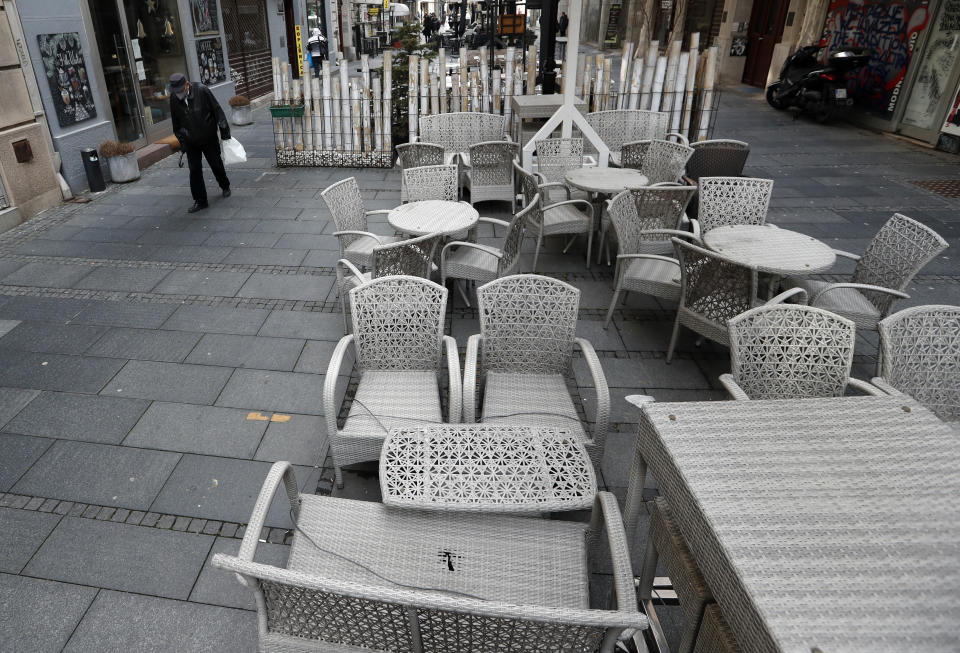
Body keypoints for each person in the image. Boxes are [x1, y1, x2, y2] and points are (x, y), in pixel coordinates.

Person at [169, 73, 231, 213]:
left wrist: (224, 132)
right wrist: (182, 141)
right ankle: (200, 200)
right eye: (176, 92)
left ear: (187, 85)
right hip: (190, 140)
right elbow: (176, 123)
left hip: (208, 136)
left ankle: (225, 185)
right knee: (194, 170)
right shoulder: (174, 98)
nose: (179, 94)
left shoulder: (202, 90)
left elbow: (217, 110)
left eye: (180, 91)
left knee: (216, 163)